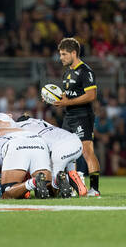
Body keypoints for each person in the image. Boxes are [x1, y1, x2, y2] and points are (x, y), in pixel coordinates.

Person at [55, 38, 100, 196]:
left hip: (83, 116)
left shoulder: (85, 71)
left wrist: (68, 101)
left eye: (64, 54)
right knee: (66, 152)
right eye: (60, 54)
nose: (61, 57)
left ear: (74, 53)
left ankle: (94, 188)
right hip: (69, 116)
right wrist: (55, 98)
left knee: (87, 151)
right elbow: (68, 96)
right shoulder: (67, 72)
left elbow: (91, 95)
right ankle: (73, 186)